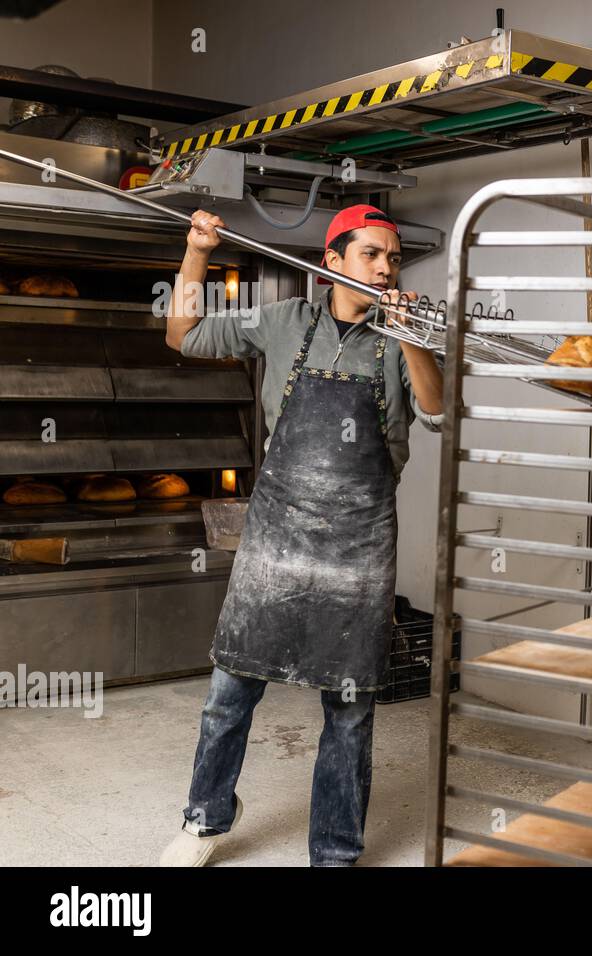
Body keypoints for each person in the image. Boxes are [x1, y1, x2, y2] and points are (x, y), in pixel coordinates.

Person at [158, 204, 443, 866]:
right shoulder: (285, 322)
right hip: (275, 541)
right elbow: (183, 333)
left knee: (350, 708)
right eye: (371, 254)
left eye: (393, 258)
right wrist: (197, 253)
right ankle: (205, 822)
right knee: (230, 691)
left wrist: (412, 337)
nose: (385, 267)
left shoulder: (406, 334)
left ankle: (336, 852)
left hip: (359, 547)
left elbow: (435, 412)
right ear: (332, 263)